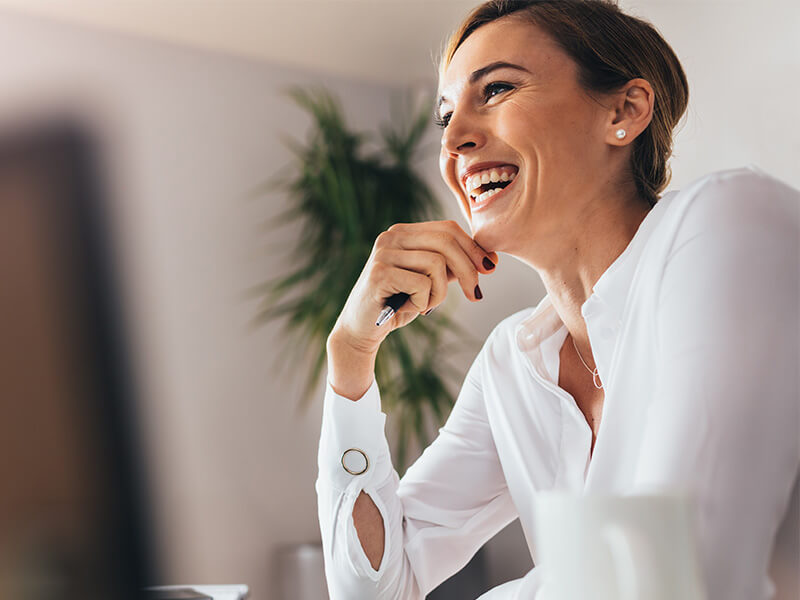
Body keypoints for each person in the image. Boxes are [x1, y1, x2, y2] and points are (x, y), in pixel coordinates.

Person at [316, 1, 800, 598]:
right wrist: (350, 356)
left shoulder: (731, 222)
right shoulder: (511, 364)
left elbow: (680, 576)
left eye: (495, 90)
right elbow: (374, 590)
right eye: (445, 119)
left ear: (624, 112)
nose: (456, 143)